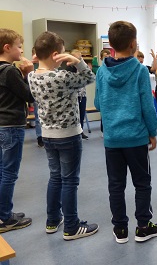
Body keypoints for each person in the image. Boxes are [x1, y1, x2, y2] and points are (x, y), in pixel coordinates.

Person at [94, 21, 157, 244]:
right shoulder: (140, 71)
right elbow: (147, 105)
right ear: (133, 43)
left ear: (111, 44)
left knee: (116, 184)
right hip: (135, 138)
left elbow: (98, 103)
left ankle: (120, 229)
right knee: (142, 182)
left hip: (112, 139)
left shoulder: (102, 72)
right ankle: (143, 227)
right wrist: (152, 131)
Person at [28, 31, 98, 240]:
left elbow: (36, 65)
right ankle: (71, 226)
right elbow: (90, 77)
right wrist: (77, 61)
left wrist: (38, 61)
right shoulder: (62, 76)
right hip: (68, 135)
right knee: (69, 181)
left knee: (55, 178)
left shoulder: (32, 76)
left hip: (48, 135)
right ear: (56, 54)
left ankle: (52, 221)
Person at [0, 28, 34, 233]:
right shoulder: (10, 71)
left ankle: (3, 212)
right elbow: (28, 95)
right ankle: (5, 217)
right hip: (11, 125)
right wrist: (28, 74)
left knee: (2, 171)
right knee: (9, 173)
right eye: (19, 47)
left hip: (1, 124)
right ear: (7, 47)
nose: (21, 51)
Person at [31, 47, 44, 147]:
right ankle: (40, 137)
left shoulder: (45, 65)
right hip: (36, 95)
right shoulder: (32, 66)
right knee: (38, 117)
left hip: (46, 95)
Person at [97, 49, 111, 137]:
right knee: (104, 114)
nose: (107, 58)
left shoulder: (113, 69)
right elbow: (98, 86)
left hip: (111, 95)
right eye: (105, 56)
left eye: (109, 56)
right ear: (101, 58)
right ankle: (103, 130)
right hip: (103, 95)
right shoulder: (100, 70)